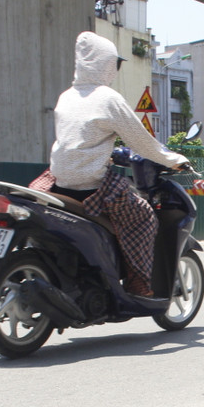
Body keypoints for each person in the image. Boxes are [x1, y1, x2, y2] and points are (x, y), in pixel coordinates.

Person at [31, 32, 188, 297]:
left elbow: (81, 138)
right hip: (90, 186)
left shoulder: (66, 96)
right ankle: (138, 283)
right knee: (143, 217)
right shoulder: (107, 98)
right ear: (104, 64)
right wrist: (175, 160)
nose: (115, 70)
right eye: (115, 63)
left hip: (58, 181)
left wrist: (109, 152)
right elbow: (142, 142)